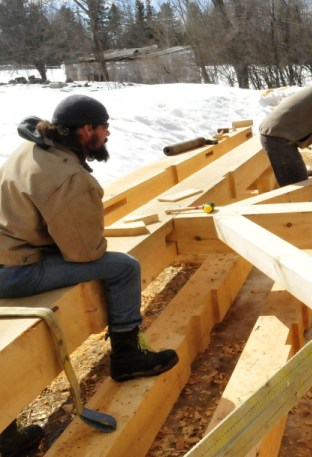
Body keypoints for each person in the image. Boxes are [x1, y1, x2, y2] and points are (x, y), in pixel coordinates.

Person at [0, 95, 179, 387]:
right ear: (86, 130)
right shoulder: (67, 176)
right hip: (15, 272)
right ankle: (127, 357)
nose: (107, 133)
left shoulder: (34, 146)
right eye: (103, 127)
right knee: (124, 266)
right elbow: (85, 252)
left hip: (8, 252)